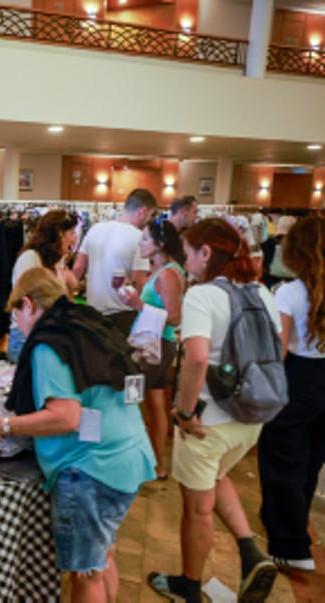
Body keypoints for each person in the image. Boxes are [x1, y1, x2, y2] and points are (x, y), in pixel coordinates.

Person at [0, 267, 154, 603]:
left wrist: (5, 426)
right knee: (102, 559)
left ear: (28, 304)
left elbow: (65, 416)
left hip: (92, 470)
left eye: (17, 315)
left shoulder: (49, 344)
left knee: (85, 575)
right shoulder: (86, 321)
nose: (18, 326)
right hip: (126, 456)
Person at [147, 218, 278, 603]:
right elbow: (277, 351)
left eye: (188, 254)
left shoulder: (202, 296)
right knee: (218, 475)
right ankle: (249, 550)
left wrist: (185, 412)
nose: (185, 263)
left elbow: (196, 358)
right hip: (250, 416)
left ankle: (189, 585)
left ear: (206, 253)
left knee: (197, 509)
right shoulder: (262, 293)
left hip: (208, 420)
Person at [258, 215, 325, 573]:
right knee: (311, 459)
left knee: (281, 459)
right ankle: (291, 524)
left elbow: (279, 350)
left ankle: (291, 546)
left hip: (298, 377)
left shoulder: (290, 291)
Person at [117, 219, 185, 480]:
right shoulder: (166, 271)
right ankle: (157, 464)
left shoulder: (167, 274)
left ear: (160, 244)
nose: (140, 243)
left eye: (145, 239)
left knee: (130, 399)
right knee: (155, 403)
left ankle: (135, 462)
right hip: (159, 345)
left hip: (155, 347)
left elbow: (175, 317)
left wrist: (138, 305)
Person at [72, 188, 157, 336]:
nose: (150, 220)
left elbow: (78, 268)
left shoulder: (95, 229)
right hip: (122, 315)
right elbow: (139, 283)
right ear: (143, 211)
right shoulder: (139, 238)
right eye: (150, 215)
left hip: (92, 312)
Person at [6, 210, 80, 363]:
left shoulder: (57, 261)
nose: (74, 239)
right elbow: (27, 303)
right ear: (60, 234)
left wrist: (71, 285)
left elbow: (64, 299)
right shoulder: (30, 259)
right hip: (25, 336)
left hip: (49, 334)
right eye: (71, 233)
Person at [260, 215, 296, 289]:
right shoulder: (299, 244)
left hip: (271, 281)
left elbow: (264, 263)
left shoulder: (268, 242)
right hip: (293, 281)